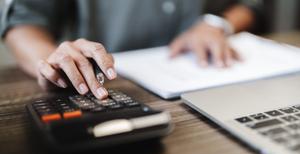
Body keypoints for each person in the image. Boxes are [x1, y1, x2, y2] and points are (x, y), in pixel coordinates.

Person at [0, 0, 261, 99]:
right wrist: (53, 61)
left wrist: (217, 24)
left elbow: (252, 4)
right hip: (110, 93)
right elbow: (24, 21)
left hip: (216, 87)